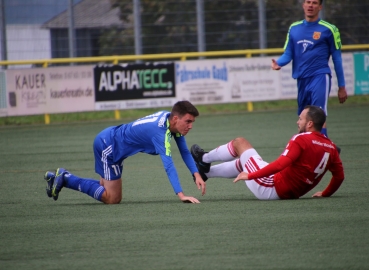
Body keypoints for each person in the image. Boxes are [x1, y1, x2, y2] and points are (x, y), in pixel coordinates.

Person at [44, 100, 206, 204]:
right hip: (108, 146)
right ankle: (65, 178)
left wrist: (196, 174)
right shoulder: (160, 133)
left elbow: (184, 151)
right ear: (176, 119)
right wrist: (181, 195)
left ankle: (62, 178)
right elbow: (169, 165)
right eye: (188, 121)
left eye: (192, 122)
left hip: (111, 140)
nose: (190, 126)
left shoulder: (169, 119)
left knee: (104, 188)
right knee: (112, 198)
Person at [191, 105, 344, 200]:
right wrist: (325, 193)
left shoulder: (301, 139)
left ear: (310, 124)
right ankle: (206, 173)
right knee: (244, 161)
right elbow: (339, 176)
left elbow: (280, 165)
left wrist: (250, 176)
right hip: (290, 192)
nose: (298, 122)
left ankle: (203, 159)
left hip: (270, 186)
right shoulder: (331, 146)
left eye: (300, 119)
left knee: (240, 143)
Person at [271, 0, 348, 151]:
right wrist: (279, 63)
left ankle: (324, 149)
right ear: (303, 5)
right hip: (301, 79)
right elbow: (288, 53)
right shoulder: (294, 28)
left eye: (314, 2)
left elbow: (337, 59)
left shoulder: (329, 29)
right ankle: (310, 149)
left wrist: (342, 86)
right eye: (308, 2)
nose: (310, 5)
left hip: (320, 76)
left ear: (320, 7)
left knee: (318, 114)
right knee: (304, 117)